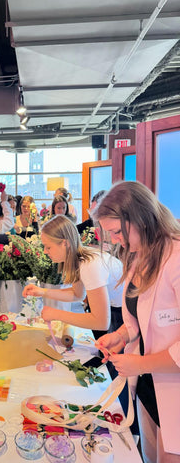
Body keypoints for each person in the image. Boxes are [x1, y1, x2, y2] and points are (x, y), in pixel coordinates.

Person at [94, 181, 180, 463]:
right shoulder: (140, 255)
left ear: (141, 217)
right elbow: (140, 319)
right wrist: (120, 335)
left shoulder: (176, 258)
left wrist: (140, 364)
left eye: (118, 231)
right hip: (149, 386)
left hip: (172, 386)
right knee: (150, 456)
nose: (117, 240)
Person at [22, 215, 123, 331]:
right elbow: (78, 294)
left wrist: (55, 314)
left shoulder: (90, 265)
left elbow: (101, 322)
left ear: (65, 243)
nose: (45, 251)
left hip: (122, 313)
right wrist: (42, 292)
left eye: (48, 247)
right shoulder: (78, 259)